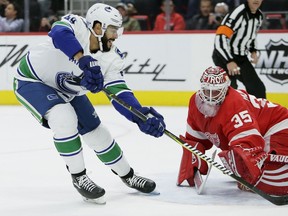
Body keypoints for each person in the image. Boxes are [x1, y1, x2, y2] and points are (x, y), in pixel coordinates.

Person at [13, 3, 166, 204]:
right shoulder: (75, 24)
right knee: (63, 117)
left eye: (118, 30)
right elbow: (59, 34)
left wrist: (139, 115)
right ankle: (79, 177)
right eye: (112, 30)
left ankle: (128, 175)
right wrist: (82, 58)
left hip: (69, 91)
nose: (116, 36)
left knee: (98, 132)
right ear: (97, 26)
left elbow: (119, 92)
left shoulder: (112, 57)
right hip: (33, 80)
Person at [177, 66, 288, 196]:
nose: (211, 97)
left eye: (216, 91)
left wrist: (244, 163)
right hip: (263, 132)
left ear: (226, 89)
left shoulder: (234, 104)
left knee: (262, 179)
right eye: (207, 91)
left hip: (280, 127)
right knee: (247, 174)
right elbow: (195, 138)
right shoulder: (195, 102)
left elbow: (249, 144)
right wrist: (192, 159)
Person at [212, 0, 266, 99]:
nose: (256, 0)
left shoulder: (259, 16)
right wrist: (229, 60)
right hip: (223, 56)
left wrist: (253, 51)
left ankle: (259, 113)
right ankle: (225, 114)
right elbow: (220, 38)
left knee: (257, 88)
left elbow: (251, 36)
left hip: (240, 57)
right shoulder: (238, 14)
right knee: (230, 88)